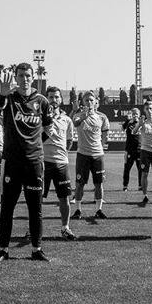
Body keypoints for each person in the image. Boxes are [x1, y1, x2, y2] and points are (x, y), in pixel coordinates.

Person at [0, 63, 54, 262]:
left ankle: (36, 249)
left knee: (35, 209)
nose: (25, 79)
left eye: (28, 75)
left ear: (33, 77)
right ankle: (4, 249)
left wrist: (34, 145)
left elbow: (48, 129)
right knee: (7, 208)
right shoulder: (9, 98)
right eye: (21, 75)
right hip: (11, 162)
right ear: (16, 78)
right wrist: (2, 94)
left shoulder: (42, 101)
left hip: (34, 163)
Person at [41, 86, 77, 240]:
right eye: (50, 97)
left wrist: (61, 153)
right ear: (46, 99)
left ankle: (65, 228)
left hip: (61, 163)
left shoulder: (67, 120)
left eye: (56, 97)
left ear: (61, 100)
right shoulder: (39, 118)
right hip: (42, 162)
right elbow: (36, 139)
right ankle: (33, 228)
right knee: (37, 198)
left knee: (64, 198)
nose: (53, 100)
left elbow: (69, 142)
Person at [72, 91, 110, 220]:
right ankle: (78, 210)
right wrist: (84, 116)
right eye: (86, 100)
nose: (89, 102)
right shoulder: (78, 115)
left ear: (95, 102)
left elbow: (105, 135)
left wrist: (101, 145)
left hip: (98, 155)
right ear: (83, 102)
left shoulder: (102, 117)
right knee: (80, 184)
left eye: (91, 100)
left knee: (99, 184)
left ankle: (99, 210)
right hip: (83, 155)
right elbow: (75, 123)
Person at [134, 100, 152, 206]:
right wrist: (139, 124)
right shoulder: (143, 122)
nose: (149, 110)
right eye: (147, 109)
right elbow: (133, 132)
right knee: (144, 174)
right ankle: (145, 196)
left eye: (151, 108)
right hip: (145, 151)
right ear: (144, 110)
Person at [121, 107, 143, 192]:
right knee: (127, 169)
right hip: (129, 150)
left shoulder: (141, 124)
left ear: (139, 115)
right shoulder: (128, 123)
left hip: (139, 150)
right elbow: (122, 129)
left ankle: (140, 186)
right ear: (131, 115)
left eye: (136, 114)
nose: (135, 116)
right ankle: (125, 186)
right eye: (133, 114)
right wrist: (127, 122)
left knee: (140, 169)